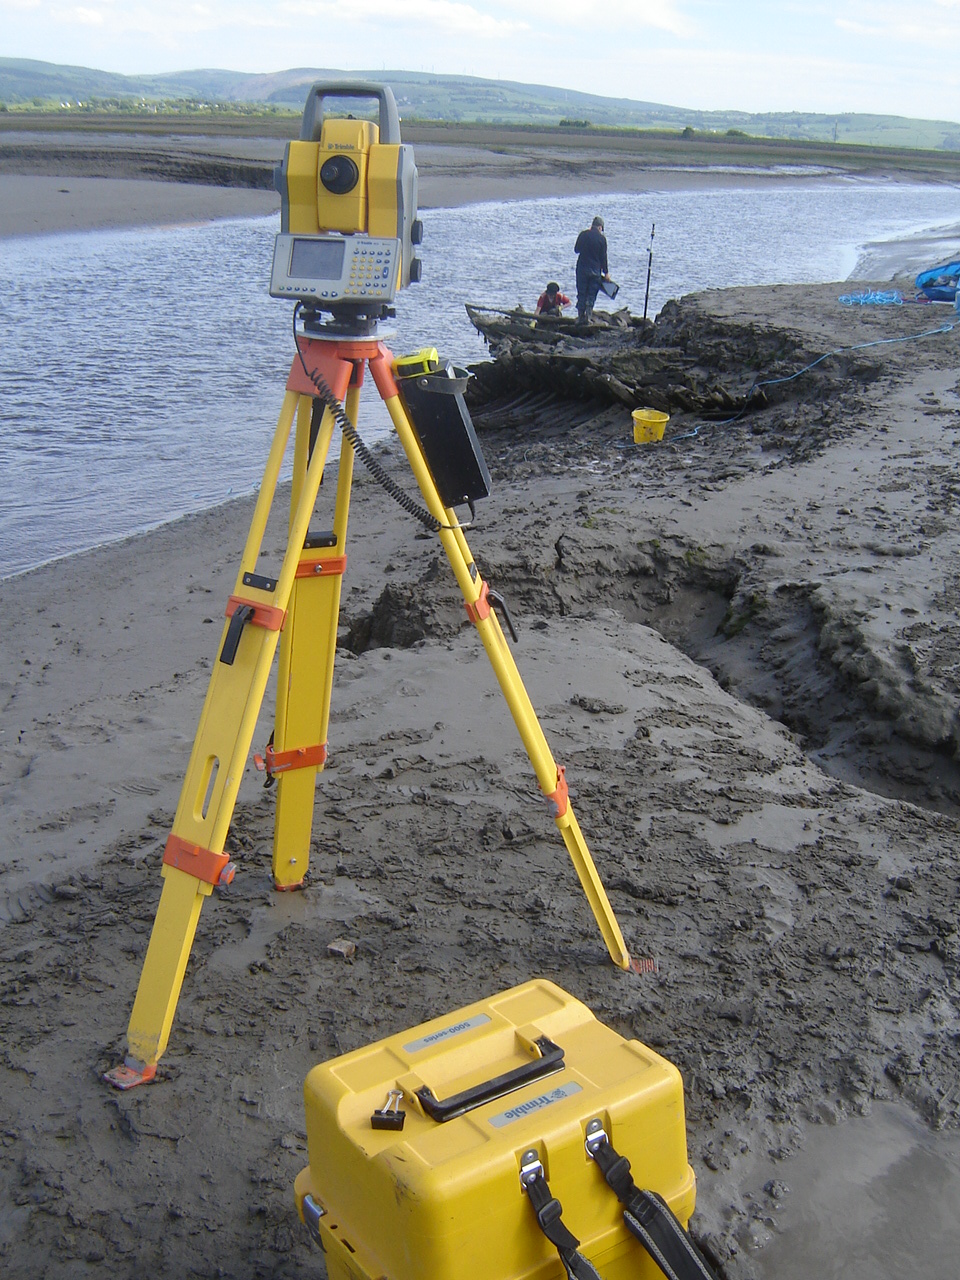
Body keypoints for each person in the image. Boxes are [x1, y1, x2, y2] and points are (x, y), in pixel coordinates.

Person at [574, 215, 610, 323]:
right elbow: (603, 257)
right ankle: (588, 317)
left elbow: (576, 250)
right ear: (600, 227)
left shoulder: (583, 235)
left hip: (582, 269)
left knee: (581, 293)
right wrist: (606, 273)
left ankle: (580, 317)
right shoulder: (602, 239)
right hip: (595, 271)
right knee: (591, 295)